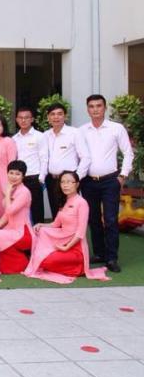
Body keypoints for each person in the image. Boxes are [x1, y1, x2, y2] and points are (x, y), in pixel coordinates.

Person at [80, 94, 134, 273]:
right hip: (88, 181)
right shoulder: (82, 131)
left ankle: (111, 258)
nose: (95, 109)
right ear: (87, 109)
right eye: (91, 106)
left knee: (110, 220)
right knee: (93, 219)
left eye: (98, 106)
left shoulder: (116, 128)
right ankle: (99, 253)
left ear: (105, 107)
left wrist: (123, 175)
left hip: (111, 180)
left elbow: (128, 152)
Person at [24, 171, 109, 284]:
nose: (65, 185)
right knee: (41, 238)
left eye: (69, 182)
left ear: (77, 184)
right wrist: (41, 225)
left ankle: (77, 268)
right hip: (63, 242)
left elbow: (80, 232)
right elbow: (55, 225)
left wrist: (67, 247)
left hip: (76, 248)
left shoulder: (82, 203)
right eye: (63, 182)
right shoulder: (64, 201)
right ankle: (60, 263)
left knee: (46, 261)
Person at [42, 102, 89, 219]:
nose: (56, 117)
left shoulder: (74, 133)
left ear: (65, 116)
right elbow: (44, 158)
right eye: (52, 114)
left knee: (70, 215)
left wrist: (76, 178)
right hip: (52, 180)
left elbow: (86, 157)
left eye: (59, 114)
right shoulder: (46, 135)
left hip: (69, 181)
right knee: (56, 215)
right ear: (48, 117)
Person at [12, 106, 47, 224]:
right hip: (18, 180)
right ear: (16, 119)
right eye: (20, 118)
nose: (23, 120)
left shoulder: (40, 136)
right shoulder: (14, 139)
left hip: (34, 178)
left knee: (37, 211)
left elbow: (44, 158)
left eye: (26, 117)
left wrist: (41, 178)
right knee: (21, 211)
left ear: (32, 119)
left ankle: (38, 234)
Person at [0, 115, 17, 224]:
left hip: (5, 179)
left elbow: (12, 163)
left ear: (4, 126)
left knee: (6, 205)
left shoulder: (8, 141)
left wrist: (11, 182)